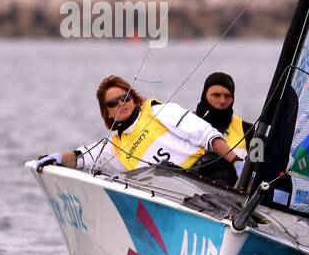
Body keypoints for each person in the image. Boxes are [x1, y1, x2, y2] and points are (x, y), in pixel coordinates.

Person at [35, 75, 241, 185]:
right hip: (180, 197)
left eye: (125, 98)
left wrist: (237, 162)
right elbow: (80, 157)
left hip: (210, 176)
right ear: (107, 113)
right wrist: (56, 159)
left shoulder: (159, 111)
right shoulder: (112, 149)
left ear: (134, 99)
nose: (121, 104)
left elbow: (208, 136)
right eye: (113, 103)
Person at [194, 72, 250, 179]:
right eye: (216, 95)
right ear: (204, 95)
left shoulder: (248, 129)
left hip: (230, 191)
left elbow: (259, 162)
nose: (222, 101)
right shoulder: (186, 123)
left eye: (227, 96)